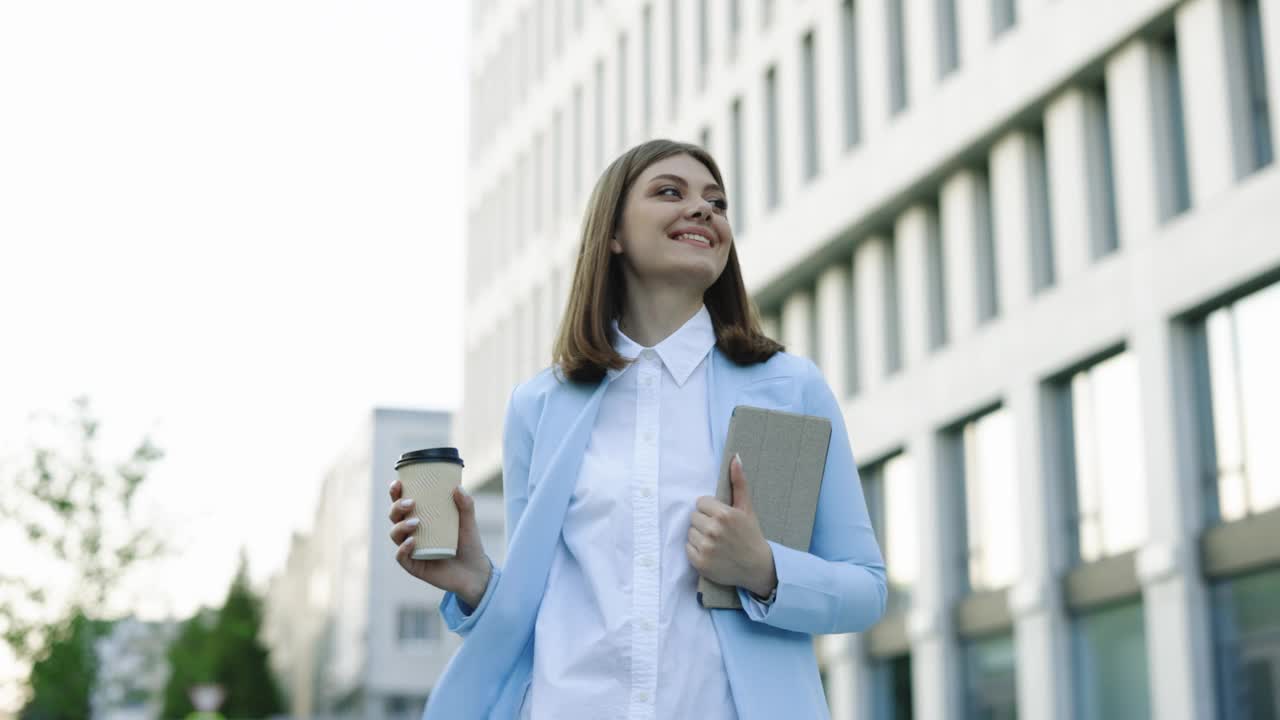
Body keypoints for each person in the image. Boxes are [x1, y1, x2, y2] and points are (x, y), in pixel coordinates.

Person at [388, 139, 887, 719]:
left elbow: (865, 589)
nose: (703, 210)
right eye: (669, 192)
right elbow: (542, 609)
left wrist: (763, 569)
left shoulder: (786, 389)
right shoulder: (539, 405)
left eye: (717, 202)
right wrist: (475, 579)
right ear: (614, 235)